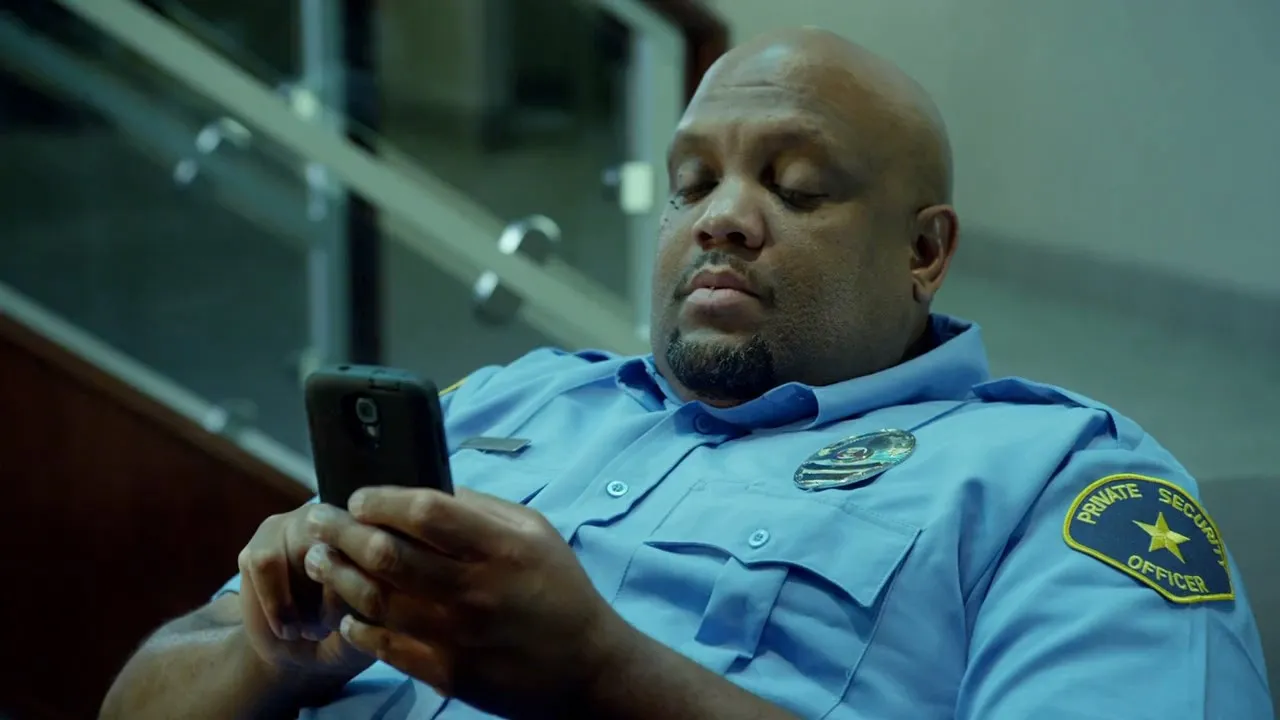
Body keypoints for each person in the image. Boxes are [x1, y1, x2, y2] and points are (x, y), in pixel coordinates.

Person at [100, 27, 1272, 720]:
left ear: (923, 252)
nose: (721, 218)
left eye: (796, 187)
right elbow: (137, 696)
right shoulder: (506, 400)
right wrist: (269, 656)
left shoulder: (1060, 483)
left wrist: (605, 678)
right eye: (690, 184)